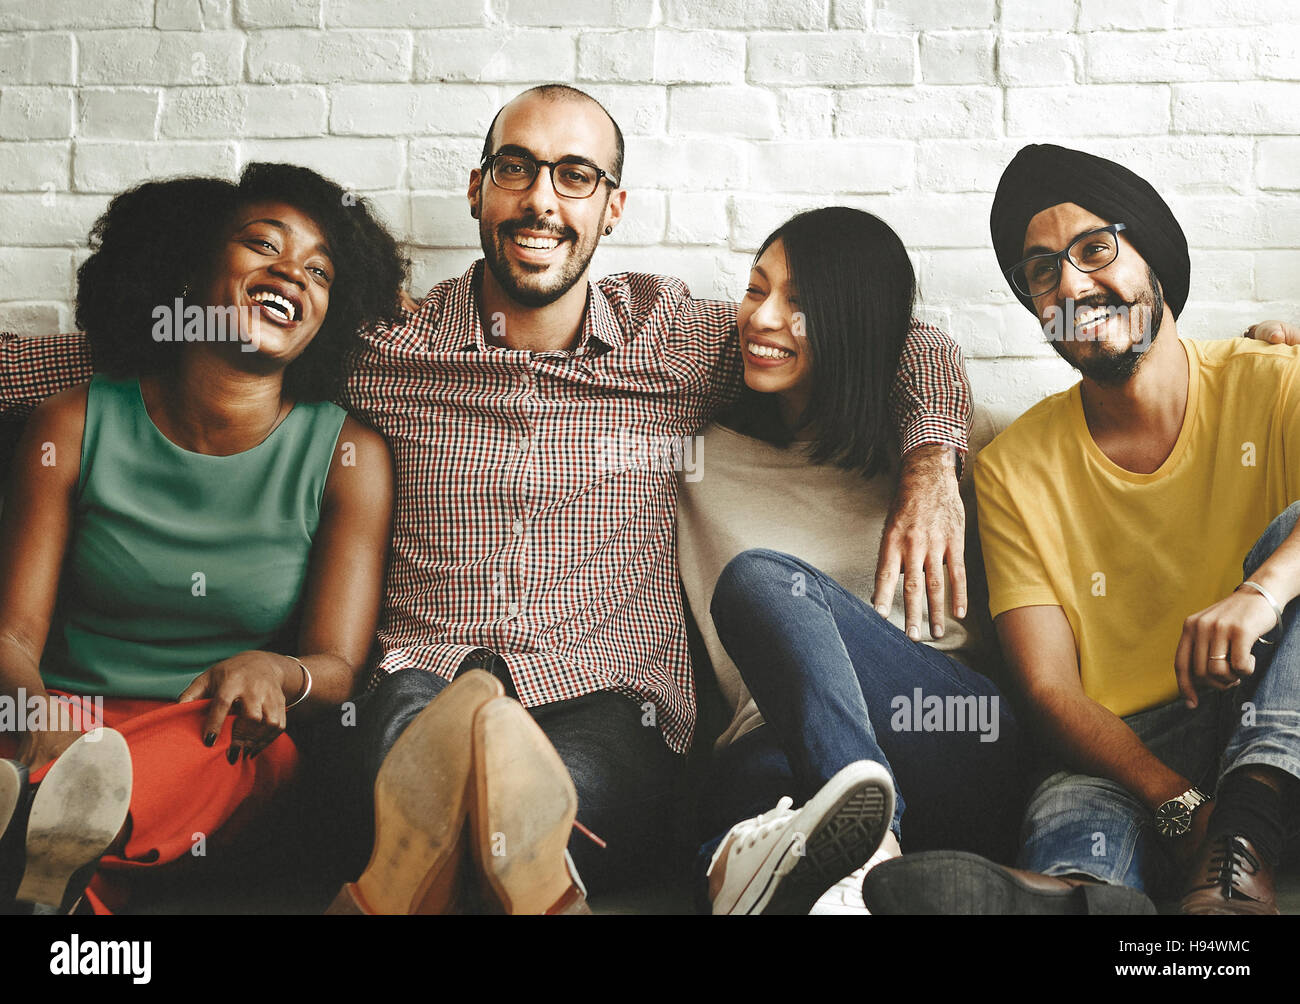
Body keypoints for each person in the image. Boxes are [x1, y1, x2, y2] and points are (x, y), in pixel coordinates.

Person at [1, 84, 975, 910]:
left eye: (574, 176)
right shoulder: (389, 347)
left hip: (611, 695)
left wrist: (933, 460)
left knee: (545, 792)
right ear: (477, 189)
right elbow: (179, 347)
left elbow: (900, 339)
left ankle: (444, 860)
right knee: (425, 737)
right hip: (420, 673)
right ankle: (496, 847)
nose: (541, 198)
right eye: (516, 168)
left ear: (612, 207)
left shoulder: (675, 341)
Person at [865, 143, 1300, 916]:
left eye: (1095, 248)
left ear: (1152, 256)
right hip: (1122, 754)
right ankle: (1070, 901)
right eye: (1041, 271)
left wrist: (1260, 595)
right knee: (1076, 831)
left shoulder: (1274, 385)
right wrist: (1175, 802)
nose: (1070, 283)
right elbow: (1049, 687)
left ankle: (1244, 842)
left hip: (1270, 712)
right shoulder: (1012, 468)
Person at [0, 162, 400, 913]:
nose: (293, 274)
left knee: (224, 758)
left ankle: (41, 833)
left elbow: (340, 667)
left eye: (320, 271)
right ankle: (57, 871)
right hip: (60, 717)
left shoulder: (349, 456)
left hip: (209, 734)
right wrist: (34, 710)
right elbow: (12, 636)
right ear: (187, 272)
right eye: (263, 245)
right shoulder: (73, 423)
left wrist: (276, 672)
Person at [675, 207, 1023, 915]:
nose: (763, 317)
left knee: (763, 584)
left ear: (854, 320)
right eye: (755, 289)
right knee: (747, 819)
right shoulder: (693, 456)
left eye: (800, 303)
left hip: (947, 729)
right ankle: (797, 878)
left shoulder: (954, 441)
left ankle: (871, 844)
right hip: (774, 742)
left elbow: (922, 343)